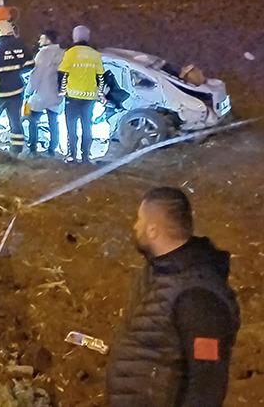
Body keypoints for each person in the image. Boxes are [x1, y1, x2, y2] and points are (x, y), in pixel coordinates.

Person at [107, 187, 239, 407]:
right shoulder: (159, 274)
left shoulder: (199, 298)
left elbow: (207, 384)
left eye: (139, 220)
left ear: (153, 230)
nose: (135, 226)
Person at [0, 21, 35, 154]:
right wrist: (16, 72)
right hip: (17, 91)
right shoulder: (22, 47)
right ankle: (17, 150)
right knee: (15, 121)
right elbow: (30, 65)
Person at [59, 24, 105, 164]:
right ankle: (86, 156)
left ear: (75, 37)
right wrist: (100, 93)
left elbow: (62, 73)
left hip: (72, 97)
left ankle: (71, 155)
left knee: (71, 128)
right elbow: (101, 77)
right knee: (87, 127)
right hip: (89, 97)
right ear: (88, 37)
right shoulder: (95, 54)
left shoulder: (70, 53)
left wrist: (61, 90)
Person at [26, 29, 66, 156]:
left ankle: (32, 148)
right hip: (56, 93)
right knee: (53, 121)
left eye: (41, 38)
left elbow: (36, 74)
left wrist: (29, 91)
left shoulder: (43, 53)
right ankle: (52, 149)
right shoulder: (63, 53)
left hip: (41, 93)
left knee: (33, 119)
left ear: (48, 40)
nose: (39, 41)